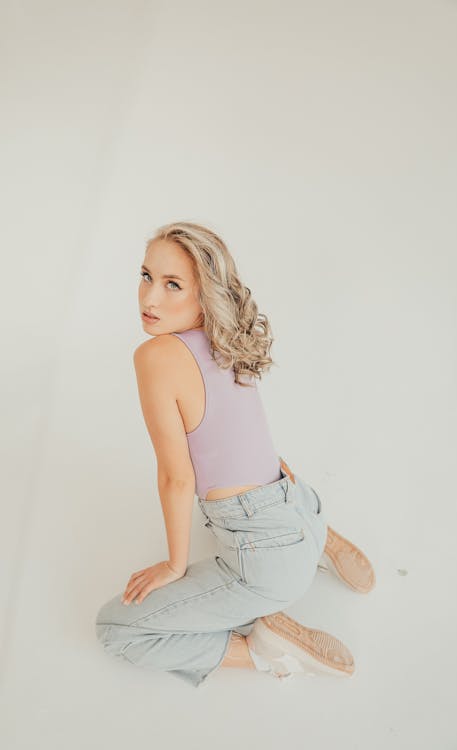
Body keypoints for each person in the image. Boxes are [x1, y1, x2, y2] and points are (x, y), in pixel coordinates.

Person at [95, 221, 375, 687]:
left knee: (115, 630)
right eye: (146, 276)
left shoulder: (156, 356)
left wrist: (174, 564)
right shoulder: (225, 338)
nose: (149, 299)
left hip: (265, 560)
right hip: (298, 500)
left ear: (205, 294)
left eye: (172, 285)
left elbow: (176, 479)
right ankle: (318, 539)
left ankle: (264, 650)